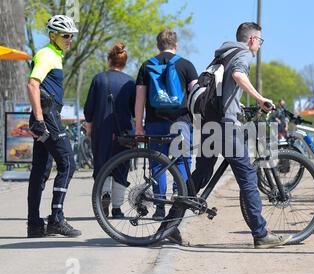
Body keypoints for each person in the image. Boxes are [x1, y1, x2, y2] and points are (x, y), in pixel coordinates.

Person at [175, 22, 292, 248]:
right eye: (260, 41)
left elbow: (223, 92)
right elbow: (238, 76)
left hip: (209, 121)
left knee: (201, 173)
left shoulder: (223, 54)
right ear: (251, 39)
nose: (259, 46)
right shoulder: (243, 55)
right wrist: (260, 98)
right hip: (225, 125)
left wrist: (240, 109)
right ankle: (261, 233)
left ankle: (169, 226)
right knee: (248, 175)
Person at [134, 29, 198, 221]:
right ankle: (179, 201)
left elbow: (140, 99)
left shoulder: (147, 66)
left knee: (157, 163)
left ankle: (160, 207)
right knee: (182, 161)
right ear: (175, 45)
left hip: (154, 123)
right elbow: (195, 96)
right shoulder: (186, 65)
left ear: (158, 45)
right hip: (181, 122)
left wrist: (139, 125)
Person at [26, 15, 81, 238]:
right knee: (68, 162)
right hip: (47, 117)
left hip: (47, 115)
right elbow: (32, 84)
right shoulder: (47, 54)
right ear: (52, 35)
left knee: (41, 171)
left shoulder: (54, 54)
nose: (69, 39)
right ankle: (56, 219)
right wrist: (39, 119)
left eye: (71, 36)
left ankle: (34, 224)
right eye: (65, 35)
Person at [84, 42, 136, 219]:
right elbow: (134, 109)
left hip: (101, 128)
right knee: (121, 166)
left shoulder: (99, 79)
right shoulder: (130, 81)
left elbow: (89, 107)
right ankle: (117, 208)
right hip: (124, 130)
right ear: (124, 62)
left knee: (102, 163)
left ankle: (104, 194)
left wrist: (89, 125)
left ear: (109, 60)